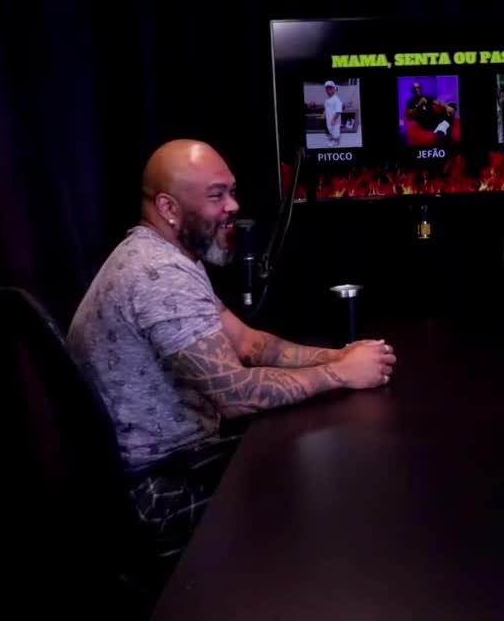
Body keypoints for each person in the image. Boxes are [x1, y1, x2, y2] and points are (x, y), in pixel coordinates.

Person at [66, 139, 397, 561]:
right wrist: (341, 374)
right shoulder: (157, 275)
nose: (233, 206)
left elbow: (248, 343)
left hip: (184, 462)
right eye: (216, 195)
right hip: (153, 493)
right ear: (168, 207)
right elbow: (236, 395)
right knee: (322, 485)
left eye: (232, 191)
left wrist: (342, 355)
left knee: (316, 454)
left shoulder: (170, 256)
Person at [323, 80, 343, 145]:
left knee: (335, 130)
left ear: (334, 89)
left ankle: (336, 142)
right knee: (330, 129)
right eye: (327, 88)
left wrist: (333, 120)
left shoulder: (336, 99)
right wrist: (324, 113)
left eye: (330, 88)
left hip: (334, 120)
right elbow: (326, 107)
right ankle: (332, 137)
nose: (328, 90)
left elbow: (338, 111)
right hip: (329, 118)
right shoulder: (327, 99)